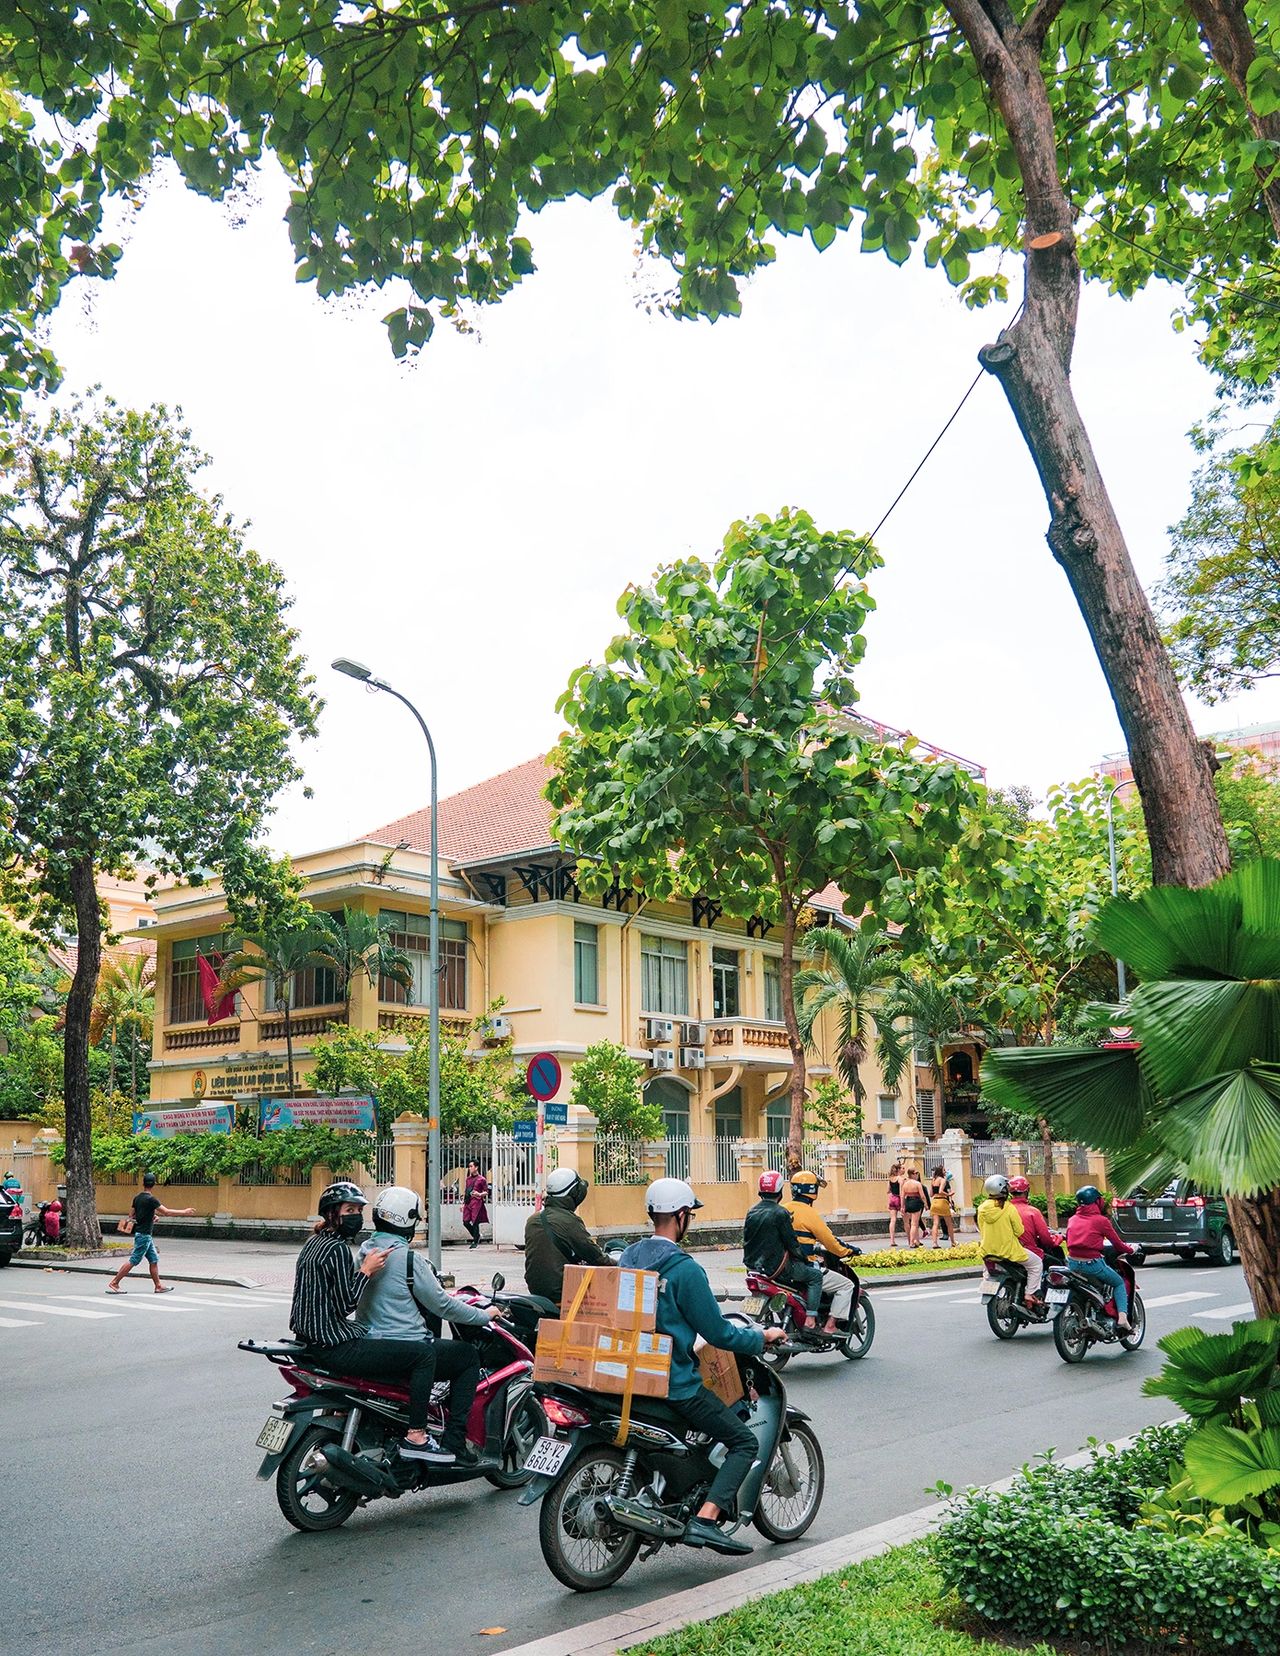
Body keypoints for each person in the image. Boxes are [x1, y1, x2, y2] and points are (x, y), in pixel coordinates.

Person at [620, 1177, 786, 1554]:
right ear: (681, 1216)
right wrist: (762, 1336)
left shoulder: (628, 1257)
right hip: (673, 1383)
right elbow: (718, 1332)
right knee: (744, 1441)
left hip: (628, 1373)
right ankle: (706, 1519)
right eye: (689, 1215)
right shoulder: (684, 1270)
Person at [289, 1180, 451, 1463]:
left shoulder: (314, 1243)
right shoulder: (337, 1249)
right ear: (332, 1213)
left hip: (307, 1340)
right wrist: (366, 1271)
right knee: (424, 1355)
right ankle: (417, 1436)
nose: (355, 1216)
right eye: (349, 1210)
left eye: (358, 1210)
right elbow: (345, 1305)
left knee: (368, 1331)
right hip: (332, 1344)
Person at [354, 1185, 506, 1466]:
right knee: (466, 1357)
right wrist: (485, 1315)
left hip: (370, 1345)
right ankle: (455, 1441)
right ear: (408, 1219)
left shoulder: (365, 1252)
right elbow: (443, 1306)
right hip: (406, 1348)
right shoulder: (409, 1259)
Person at [523, 1167, 611, 1306]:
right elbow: (595, 1256)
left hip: (536, 1290)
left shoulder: (533, 1220)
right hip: (562, 1292)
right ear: (574, 1193)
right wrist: (619, 1263)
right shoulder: (569, 1221)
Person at [783, 1170, 858, 1333]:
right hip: (803, 1266)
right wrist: (847, 1251)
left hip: (782, 1267)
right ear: (812, 1190)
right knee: (847, 1285)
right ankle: (830, 1326)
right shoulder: (809, 1213)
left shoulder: (783, 1209)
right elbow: (830, 1242)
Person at [743, 1170, 823, 1320]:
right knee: (816, 1276)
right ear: (780, 1192)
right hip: (777, 1269)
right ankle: (811, 1319)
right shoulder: (781, 1213)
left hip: (752, 1268)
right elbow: (792, 1243)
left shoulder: (751, 1212)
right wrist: (806, 1260)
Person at [106, 1173, 196, 1294]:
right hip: (144, 1235)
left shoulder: (137, 1198)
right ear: (154, 1184)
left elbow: (131, 1215)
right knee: (134, 1260)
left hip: (142, 1234)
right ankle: (115, 1282)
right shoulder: (151, 1199)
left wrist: (151, 1216)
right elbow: (166, 1212)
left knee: (153, 1259)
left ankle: (158, 1286)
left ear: (143, 1183)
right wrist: (184, 1212)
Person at [1066, 1185, 1135, 1332]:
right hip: (1092, 1265)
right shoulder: (1101, 1221)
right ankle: (1123, 1318)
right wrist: (1131, 1250)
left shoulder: (1072, 1219)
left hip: (1072, 1264)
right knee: (1118, 1282)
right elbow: (1118, 1244)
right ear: (1097, 1201)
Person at [976, 1173, 1043, 1300]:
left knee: (987, 1271)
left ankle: (987, 1282)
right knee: (1036, 1264)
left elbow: (981, 1228)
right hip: (1009, 1251)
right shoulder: (1009, 1208)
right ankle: (1030, 1293)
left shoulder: (981, 1208)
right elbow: (1019, 1231)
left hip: (987, 1251)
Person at [1007, 1176, 1055, 1297]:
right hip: (1025, 1250)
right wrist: (1056, 1240)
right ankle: (1033, 1294)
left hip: (1003, 1250)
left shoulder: (1003, 1210)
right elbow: (1045, 1239)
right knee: (1050, 1263)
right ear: (1027, 1191)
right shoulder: (1032, 1211)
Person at [461, 1160, 489, 1250]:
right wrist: (463, 1203)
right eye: (469, 1166)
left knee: (475, 1221)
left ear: (476, 1167)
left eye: (471, 1166)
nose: (469, 1168)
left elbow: (486, 1192)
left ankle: (475, 1241)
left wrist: (479, 1194)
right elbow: (466, 1191)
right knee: (465, 1222)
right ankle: (476, 1235)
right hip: (468, 1202)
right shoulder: (468, 1179)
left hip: (477, 1202)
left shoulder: (482, 1179)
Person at [900, 1166, 928, 1248]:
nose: (917, 1175)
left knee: (911, 1223)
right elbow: (922, 1196)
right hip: (916, 1202)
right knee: (914, 1224)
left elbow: (902, 1196)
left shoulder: (905, 1184)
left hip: (908, 1202)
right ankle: (912, 1242)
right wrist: (926, 1204)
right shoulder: (917, 1184)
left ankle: (915, 1241)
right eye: (916, 1173)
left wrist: (902, 1206)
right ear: (912, 1174)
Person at [927, 1165, 955, 1248]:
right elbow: (940, 1191)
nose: (945, 1172)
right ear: (940, 1171)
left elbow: (931, 1194)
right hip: (942, 1201)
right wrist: (949, 1194)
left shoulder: (933, 1180)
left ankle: (934, 1243)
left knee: (935, 1223)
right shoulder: (943, 1180)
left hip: (934, 1202)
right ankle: (953, 1242)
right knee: (949, 1223)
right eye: (944, 1170)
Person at [886, 1161, 903, 1248]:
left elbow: (888, 1190)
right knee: (906, 1219)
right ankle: (911, 1239)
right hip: (898, 1198)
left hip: (892, 1198)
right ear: (898, 1170)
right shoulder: (900, 1179)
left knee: (893, 1220)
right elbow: (901, 1192)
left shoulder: (890, 1179)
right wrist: (903, 1204)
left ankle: (892, 1240)